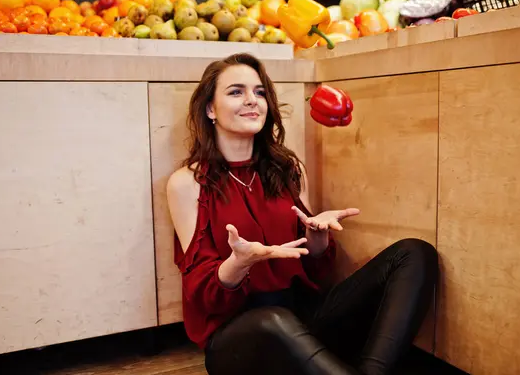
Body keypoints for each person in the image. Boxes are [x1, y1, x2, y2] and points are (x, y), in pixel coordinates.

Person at [166, 53, 438, 375]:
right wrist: (238, 263)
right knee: (272, 320)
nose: (252, 100)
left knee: (413, 253)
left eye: (260, 92)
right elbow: (203, 296)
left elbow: (316, 269)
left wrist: (317, 241)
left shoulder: (289, 169)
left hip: (303, 321)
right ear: (210, 109)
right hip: (239, 338)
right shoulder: (187, 183)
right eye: (236, 91)